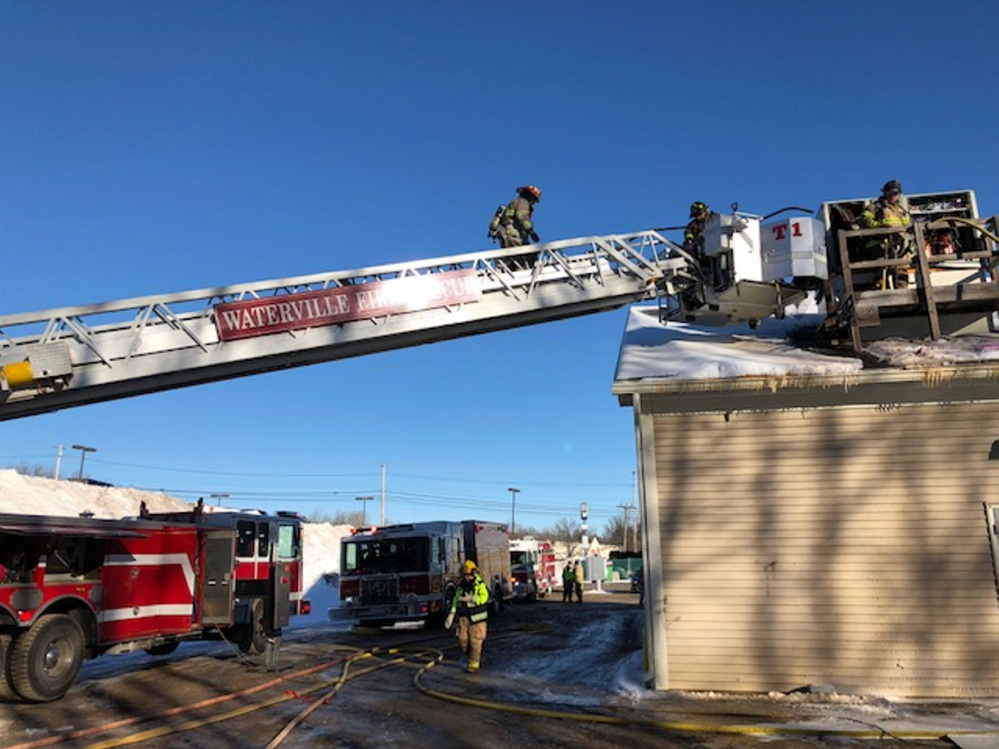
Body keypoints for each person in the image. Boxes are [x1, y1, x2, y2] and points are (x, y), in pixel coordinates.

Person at [858, 180, 912, 289]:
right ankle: (881, 293)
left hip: (899, 246)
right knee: (881, 272)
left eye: (896, 194)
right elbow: (863, 220)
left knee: (902, 270)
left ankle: (903, 293)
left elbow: (907, 223)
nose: (893, 196)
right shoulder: (876, 207)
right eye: (890, 193)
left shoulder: (901, 210)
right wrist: (879, 225)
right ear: (885, 192)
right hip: (881, 245)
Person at [444, 559, 491, 672]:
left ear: (474, 574)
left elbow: (485, 597)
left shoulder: (480, 585)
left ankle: (473, 664)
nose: (467, 578)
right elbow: (456, 599)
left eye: (469, 575)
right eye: (465, 575)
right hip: (464, 618)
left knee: (475, 642)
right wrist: (451, 615)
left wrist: (472, 599)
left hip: (477, 620)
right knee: (462, 639)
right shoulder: (461, 586)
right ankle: (470, 655)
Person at [492, 185, 542, 268]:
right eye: (534, 199)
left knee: (513, 259)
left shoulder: (515, 202)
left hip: (505, 233)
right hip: (514, 234)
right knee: (528, 256)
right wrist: (530, 230)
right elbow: (522, 217)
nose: (534, 203)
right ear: (530, 197)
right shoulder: (523, 203)